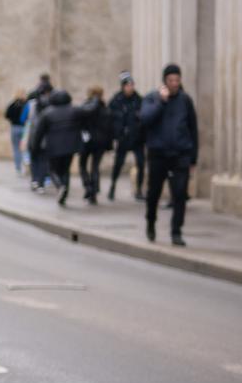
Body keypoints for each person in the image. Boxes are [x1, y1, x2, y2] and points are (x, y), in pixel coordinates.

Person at [141, 63, 199, 246]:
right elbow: (144, 119)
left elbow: (193, 129)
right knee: (154, 193)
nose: (174, 83)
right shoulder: (152, 98)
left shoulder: (185, 101)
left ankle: (176, 231)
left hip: (180, 154)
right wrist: (161, 102)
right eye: (171, 80)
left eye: (177, 79)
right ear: (165, 81)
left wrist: (193, 157)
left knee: (180, 194)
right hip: (158, 155)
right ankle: (151, 222)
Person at [29, 89, 83, 207]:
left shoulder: (48, 113)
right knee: (65, 170)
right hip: (70, 146)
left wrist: (35, 147)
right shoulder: (73, 110)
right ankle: (64, 192)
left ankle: (60, 186)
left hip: (54, 146)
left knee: (53, 169)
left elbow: (39, 132)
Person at [108, 72, 145, 202]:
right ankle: (112, 186)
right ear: (123, 87)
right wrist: (116, 134)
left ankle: (139, 190)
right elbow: (111, 118)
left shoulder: (138, 100)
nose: (130, 88)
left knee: (141, 163)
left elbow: (143, 117)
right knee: (118, 164)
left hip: (137, 138)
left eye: (132, 85)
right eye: (128, 85)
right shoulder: (116, 100)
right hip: (123, 138)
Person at [78, 85, 114, 205]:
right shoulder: (105, 108)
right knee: (95, 167)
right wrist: (109, 144)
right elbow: (109, 128)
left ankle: (88, 186)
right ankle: (93, 192)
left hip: (87, 141)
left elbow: (80, 122)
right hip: (101, 142)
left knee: (82, 165)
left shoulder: (86, 107)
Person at [4, 88, 29, 176]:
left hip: (15, 127)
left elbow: (6, 115)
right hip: (25, 128)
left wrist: (13, 119)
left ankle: (18, 168)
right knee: (25, 149)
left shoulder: (12, 104)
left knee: (16, 149)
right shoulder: (27, 104)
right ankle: (26, 167)